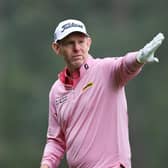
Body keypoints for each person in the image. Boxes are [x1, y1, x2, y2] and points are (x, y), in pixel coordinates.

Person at [40, 19, 164, 168]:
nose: (77, 48)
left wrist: (139, 58)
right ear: (57, 48)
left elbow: (124, 65)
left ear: (88, 43)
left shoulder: (105, 70)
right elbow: (56, 140)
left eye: (81, 41)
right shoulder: (57, 90)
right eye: (69, 43)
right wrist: (46, 164)